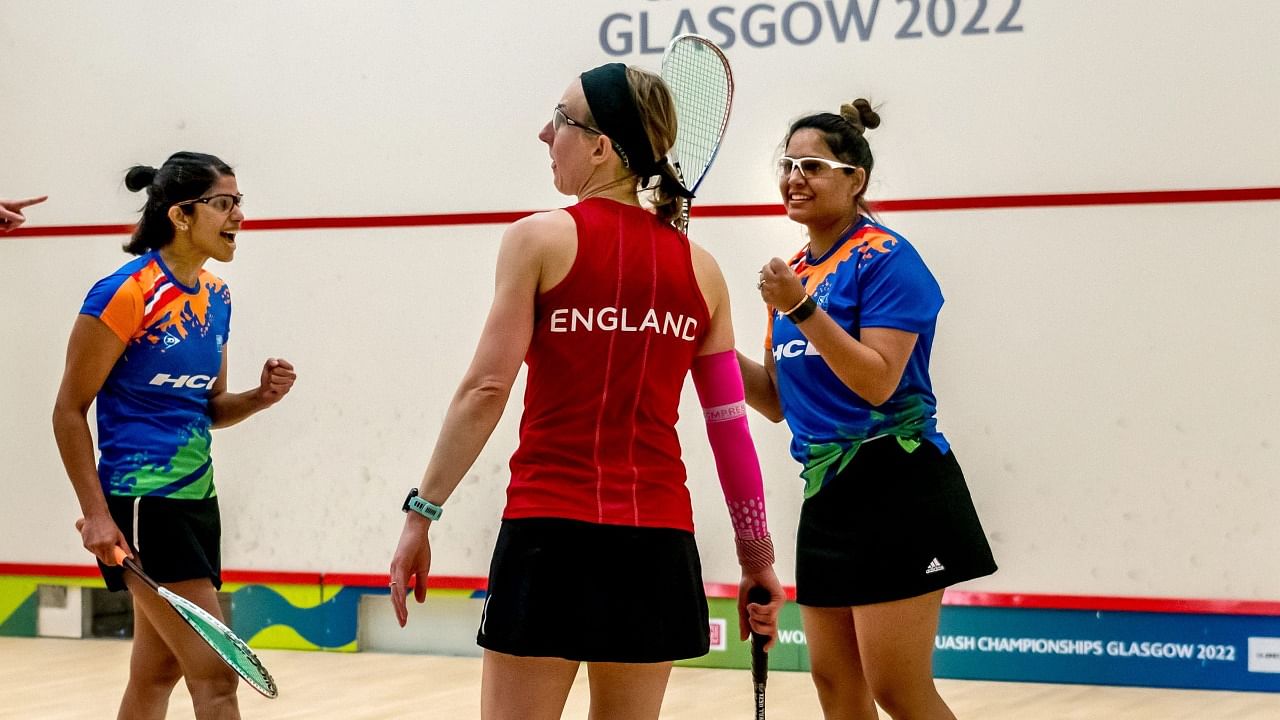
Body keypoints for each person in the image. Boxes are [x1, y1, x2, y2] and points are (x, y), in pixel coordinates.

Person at [389, 63, 785, 720]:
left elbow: (486, 388)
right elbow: (728, 426)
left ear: (603, 145)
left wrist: (420, 514)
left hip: (551, 536)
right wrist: (757, 557)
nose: (546, 133)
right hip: (657, 546)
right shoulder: (703, 271)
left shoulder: (537, 238)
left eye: (562, 119)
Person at [739, 100, 997, 720]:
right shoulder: (796, 272)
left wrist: (800, 309)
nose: (794, 177)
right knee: (835, 684)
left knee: (898, 690)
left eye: (813, 166)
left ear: (855, 180)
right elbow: (777, 402)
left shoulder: (886, 259)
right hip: (827, 493)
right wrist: (706, 345)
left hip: (898, 486)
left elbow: (878, 382)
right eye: (788, 164)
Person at [52, 152, 296, 720]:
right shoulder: (125, 294)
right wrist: (95, 513)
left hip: (196, 501)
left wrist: (258, 398)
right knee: (215, 676)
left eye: (240, 203)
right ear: (181, 215)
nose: (238, 215)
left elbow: (209, 407)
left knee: (157, 671)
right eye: (223, 203)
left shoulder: (217, 299)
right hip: (141, 504)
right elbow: (68, 410)